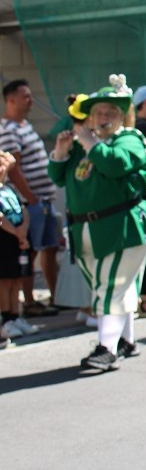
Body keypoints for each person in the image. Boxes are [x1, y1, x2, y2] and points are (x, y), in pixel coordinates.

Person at [49, 81, 146, 371]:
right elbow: (59, 177)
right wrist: (60, 151)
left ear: (121, 116)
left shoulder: (129, 138)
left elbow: (117, 164)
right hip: (85, 229)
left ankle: (106, 348)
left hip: (120, 226)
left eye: (110, 112)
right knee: (109, 287)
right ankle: (125, 340)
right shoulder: (83, 145)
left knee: (111, 289)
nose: (103, 117)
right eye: (98, 112)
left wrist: (91, 144)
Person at [1, 79, 60, 319]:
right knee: (29, 252)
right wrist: (31, 199)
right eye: (25, 96)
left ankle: (55, 296)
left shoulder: (25, 125)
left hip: (44, 199)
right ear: (10, 100)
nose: (30, 100)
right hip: (30, 203)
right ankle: (28, 301)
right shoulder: (7, 128)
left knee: (49, 248)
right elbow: (14, 168)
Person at [0, 150, 30, 344]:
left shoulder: (8, 189)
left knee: (16, 278)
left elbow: (23, 210)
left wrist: (23, 232)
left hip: (17, 241)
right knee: (4, 281)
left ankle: (15, 315)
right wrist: (16, 232)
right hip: (4, 240)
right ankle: (6, 319)